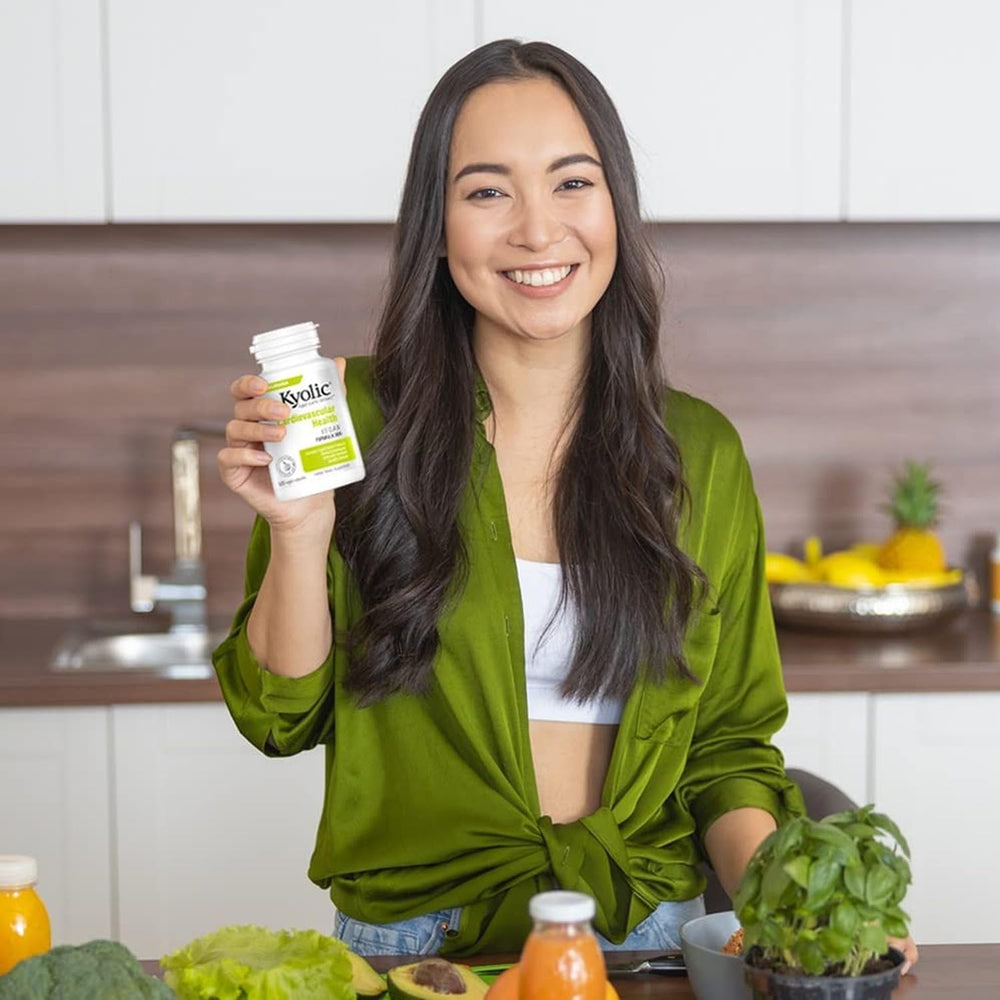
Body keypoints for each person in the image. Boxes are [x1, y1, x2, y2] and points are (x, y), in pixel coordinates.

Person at [213, 38, 918, 971]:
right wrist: (300, 533)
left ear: (616, 207)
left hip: (646, 941)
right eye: (487, 191)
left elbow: (727, 747)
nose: (538, 233)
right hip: (420, 949)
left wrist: (810, 923)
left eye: (572, 183)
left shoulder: (697, 452)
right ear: (437, 226)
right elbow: (278, 717)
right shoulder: (348, 419)